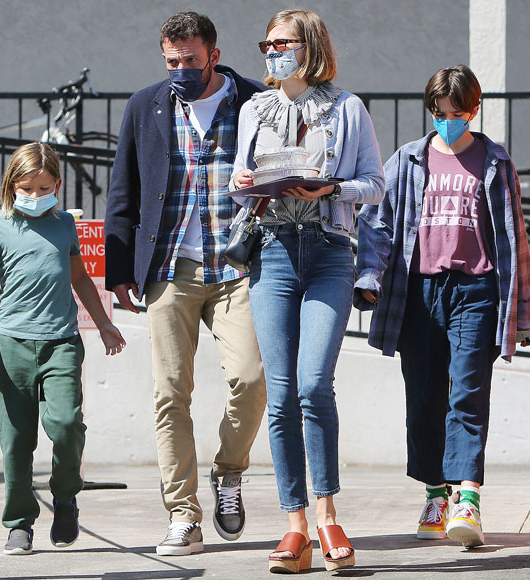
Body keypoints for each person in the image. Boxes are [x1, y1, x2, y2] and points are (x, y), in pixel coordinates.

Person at [354, 65, 530, 548]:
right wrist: (369, 277)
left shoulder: (494, 161)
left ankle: (469, 499)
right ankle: (437, 493)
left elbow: (515, 238)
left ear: (473, 110)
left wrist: (521, 313)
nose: (447, 121)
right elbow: (376, 225)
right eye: (439, 113)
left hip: (476, 291)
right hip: (419, 293)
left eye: (457, 113)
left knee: (468, 393)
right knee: (423, 398)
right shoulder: (408, 160)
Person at [104, 11, 266, 556]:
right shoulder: (144, 105)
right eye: (171, 61)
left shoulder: (254, 101)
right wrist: (119, 271)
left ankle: (229, 472)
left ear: (213, 55)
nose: (180, 70)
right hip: (168, 268)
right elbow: (122, 191)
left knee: (251, 378)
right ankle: (182, 514)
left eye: (190, 61)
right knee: (170, 394)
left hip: (237, 268)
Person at [231, 9, 384, 573]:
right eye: (266, 43)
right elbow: (237, 183)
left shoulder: (347, 107)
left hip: (327, 250)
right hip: (271, 250)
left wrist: (332, 187)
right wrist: (243, 183)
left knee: (314, 384)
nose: (272, 51)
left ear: (310, 46)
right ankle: (293, 524)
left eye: (282, 42)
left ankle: (327, 515)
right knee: (282, 391)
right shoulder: (254, 108)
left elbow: (375, 183)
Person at [0, 142, 126, 555]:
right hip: (11, 345)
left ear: (56, 184)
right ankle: (19, 523)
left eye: (44, 187)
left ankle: (65, 498)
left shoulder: (63, 226)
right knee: (16, 440)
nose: (35, 196)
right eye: (28, 188)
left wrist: (105, 323)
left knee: (67, 424)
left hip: (62, 343)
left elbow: (81, 280)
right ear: (12, 185)